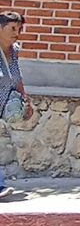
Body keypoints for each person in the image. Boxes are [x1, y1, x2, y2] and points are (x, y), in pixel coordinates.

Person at [0, 11, 31, 200]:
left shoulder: (14, 50)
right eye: (12, 28)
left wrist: (25, 99)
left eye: (19, 29)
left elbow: (16, 76)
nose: (16, 33)